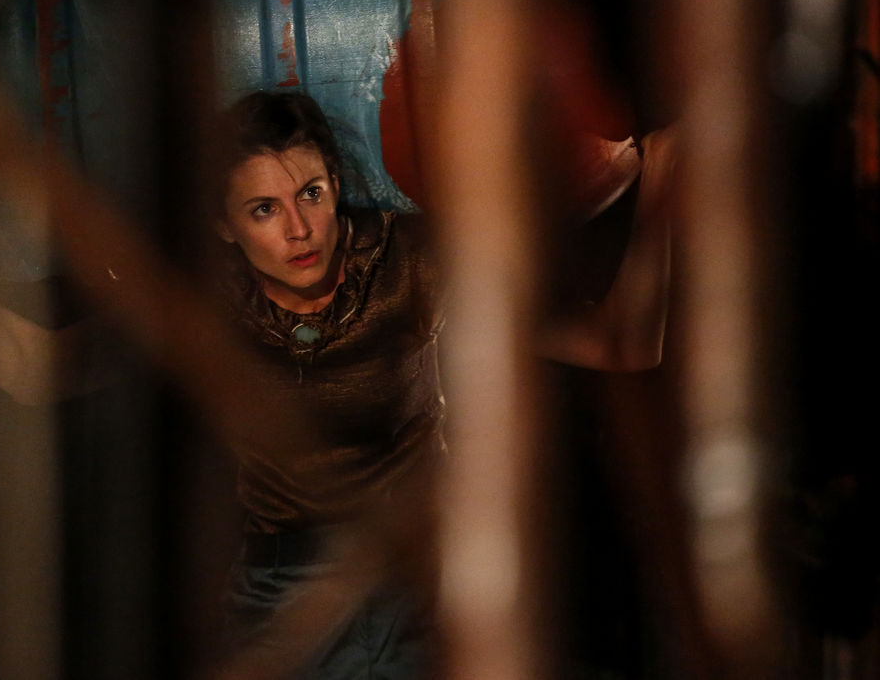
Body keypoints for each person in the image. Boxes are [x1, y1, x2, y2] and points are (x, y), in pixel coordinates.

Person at [211, 90, 674, 678]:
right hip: (281, 590)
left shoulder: (414, 261)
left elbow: (623, 343)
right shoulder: (208, 300)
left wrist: (662, 180)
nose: (300, 229)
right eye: (263, 209)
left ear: (334, 183)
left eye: (311, 193)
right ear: (225, 226)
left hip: (421, 575)